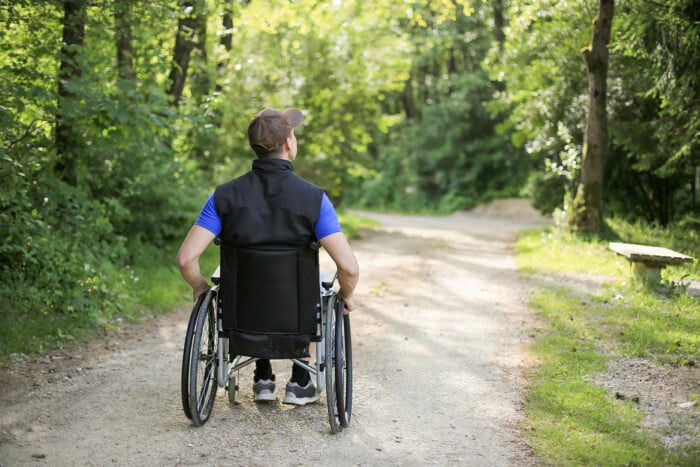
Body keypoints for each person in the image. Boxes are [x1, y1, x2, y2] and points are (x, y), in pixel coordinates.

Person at [176, 107, 359, 406]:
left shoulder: (223, 196)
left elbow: (186, 259)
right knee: (317, 288)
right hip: (297, 318)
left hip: (241, 320)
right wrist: (347, 294)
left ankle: (262, 376)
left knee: (246, 284)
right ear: (288, 143)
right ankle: (300, 381)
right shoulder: (314, 199)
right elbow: (348, 268)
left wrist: (199, 286)